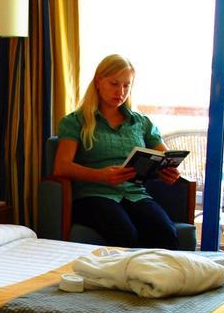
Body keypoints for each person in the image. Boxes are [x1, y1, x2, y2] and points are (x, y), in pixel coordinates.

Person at [54, 54, 183, 248]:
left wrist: (169, 171)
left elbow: (165, 157)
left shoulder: (141, 123)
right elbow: (61, 167)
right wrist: (102, 175)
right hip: (93, 195)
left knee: (166, 232)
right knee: (124, 233)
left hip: (134, 193)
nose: (120, 92)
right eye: (114, 84)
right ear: (98, 82)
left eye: (126, 86)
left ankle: (153, 269)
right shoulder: (75, 121)